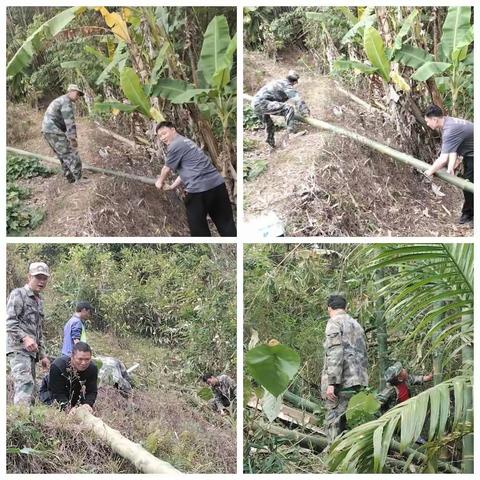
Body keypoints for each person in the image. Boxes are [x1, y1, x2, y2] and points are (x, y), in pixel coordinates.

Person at [154, 121, 237, 237]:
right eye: (160, 136)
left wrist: (159, 181)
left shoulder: (175, 145)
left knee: (199, 231)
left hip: (199, 191)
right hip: (218, 186)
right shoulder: (186, 142)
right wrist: (172, 186)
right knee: (226, 224)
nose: (162, 138)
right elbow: (189, 170)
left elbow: (166, 168)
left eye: (164, 133)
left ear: (173, 130)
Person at [320, 295, 368, 443]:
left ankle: (333, 456)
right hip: (357, 380)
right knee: (347, 420)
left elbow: (336, 352)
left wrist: (332, 383)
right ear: (345, 308)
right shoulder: (356, 325)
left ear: (329, 308)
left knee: (334, 420)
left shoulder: (334, 323)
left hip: (341, 381)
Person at [7, 262, 51, 406]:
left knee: (31, 390)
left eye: (44, 278)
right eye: (38, 277)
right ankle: (19, 423)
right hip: (18, 349)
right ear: (29, 277)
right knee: (25, 384)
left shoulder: (39, 301)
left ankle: (27, 423)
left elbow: (38, 332)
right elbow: (9, 322)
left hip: (32, 353)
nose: (41, 281)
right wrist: (24, 338)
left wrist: (43, 355)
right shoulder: (18, 294)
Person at [424, 105, 474, 224]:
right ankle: (468, 213)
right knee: (468, 185)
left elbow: (442, 159)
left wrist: (429, 172)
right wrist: (451, 167)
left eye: (427, 121)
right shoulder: (448, 123)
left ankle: (472, 215)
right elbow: (452, 149)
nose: (427, 124)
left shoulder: (450, 129)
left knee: (471, 186)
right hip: (471, 155)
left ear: (435, 120)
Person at [251, 70, 310, 148]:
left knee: (269, 124)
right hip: (262, 103)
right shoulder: (287, 86)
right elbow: (297, 100)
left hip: (255, 103)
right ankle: (291, 133)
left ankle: (270, 144)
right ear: (295, 82)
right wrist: (306, 114)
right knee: (288, 109)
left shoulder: (279, 82)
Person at [42, 84, 85, 183]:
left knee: (62, 154)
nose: (78, 97)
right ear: (71, 91)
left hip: (47, 130)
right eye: (78, 94)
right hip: (53, 130)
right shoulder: (66, 101)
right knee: (70, 153)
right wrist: (73, 139)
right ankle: (79, 179)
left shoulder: (61, 100)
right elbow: (69, 122)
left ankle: (70, 177)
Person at [39, 342, 98, 411]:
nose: (84, 363)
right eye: (80, 359)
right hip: (52, 392)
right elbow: (57, 393)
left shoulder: (92, 368)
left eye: (87, 359)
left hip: (74, 394)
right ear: (72, 356)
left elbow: (92, 391)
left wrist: (88, 404)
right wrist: (67, 407)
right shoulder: (58, 366)